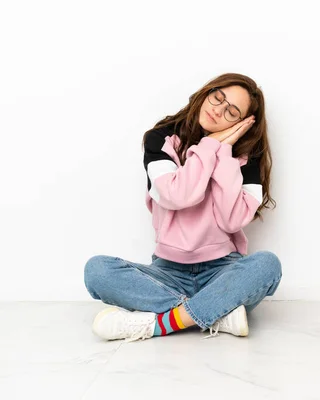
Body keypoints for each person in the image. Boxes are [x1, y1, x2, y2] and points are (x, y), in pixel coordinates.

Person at [84, 73, 282, 342]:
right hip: (167, 272)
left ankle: (160, 324)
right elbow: (179, 195)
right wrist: (211, 144)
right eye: (217, 97)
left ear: (242, 123)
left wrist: (223, 151)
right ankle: (216, 312)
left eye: (231, 111)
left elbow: (231, 220)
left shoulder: (246, 156)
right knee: (97, 271)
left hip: (223, 271)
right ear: (207, 92)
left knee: (266, 265)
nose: (218, 110)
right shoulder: (160, 139)